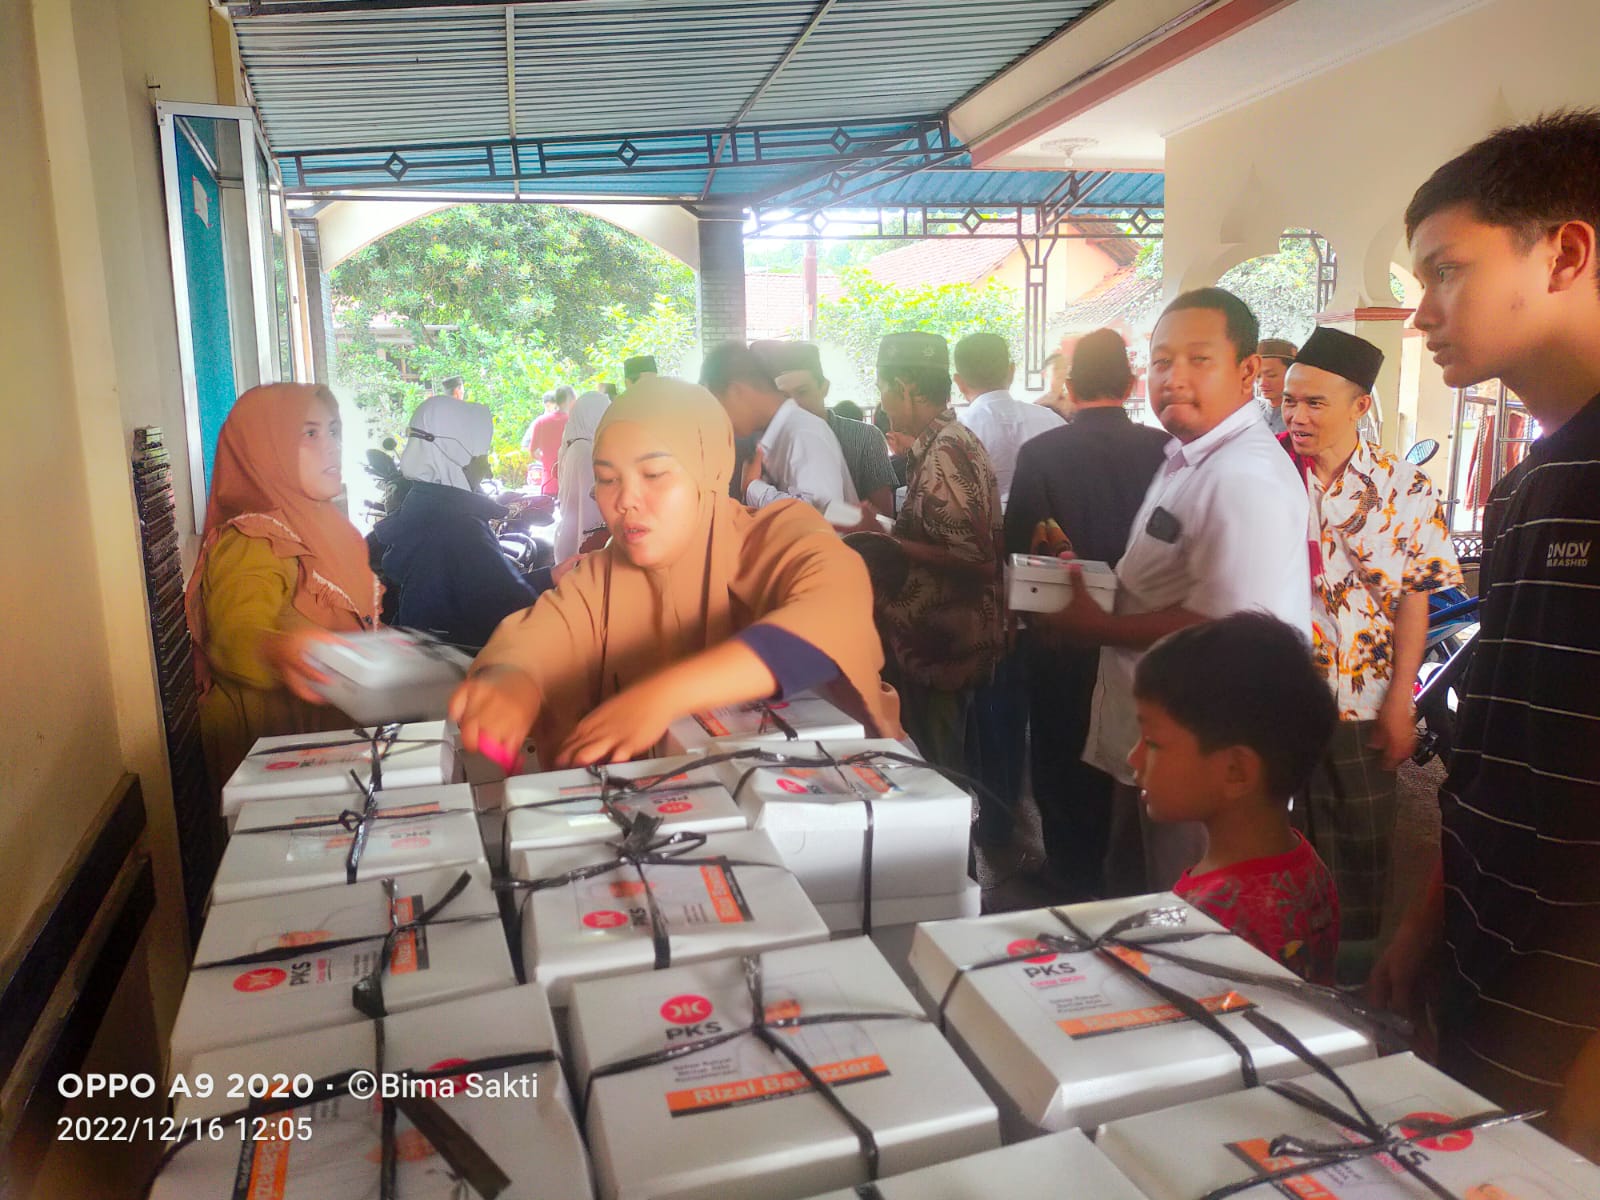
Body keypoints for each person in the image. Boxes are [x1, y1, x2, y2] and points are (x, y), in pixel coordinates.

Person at [1370, 111, 1600, 1158]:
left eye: (1445, 272)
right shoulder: (1529, 484)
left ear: (1565, 252)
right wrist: (1432, 916)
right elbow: (1498, 745)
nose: (1421, 313)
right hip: (1491, 958)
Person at [449, 377, 900, 769]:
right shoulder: (600, 577)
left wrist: (662, 697)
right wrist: (511, 682)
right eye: (607, 479)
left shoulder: (778, 535)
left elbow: (830, 618)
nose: (626, 500)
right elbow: (533, 640)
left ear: (708, 470)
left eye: (655, 474)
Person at [1044, 288, 1311, 893]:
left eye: (1198, 359)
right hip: (1162, 744)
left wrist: (1094, 624)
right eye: (1163, 362)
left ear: (1247, 371)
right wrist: (1093, 584)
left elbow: (1230, 631)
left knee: (1189, 919)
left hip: (1210, 752)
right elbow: (1167, 582)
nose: (1174, 378)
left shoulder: (1244, 475)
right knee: (1140, 898)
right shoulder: (1188, 457)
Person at [1279, 327, 1462, 980]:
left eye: (1315, 404)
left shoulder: (1402, 488)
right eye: (1289, 400)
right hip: (1273, 699)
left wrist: (1400, 703)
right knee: (1269, 842)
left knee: (1360, 847)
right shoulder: (1268, 474)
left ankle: (1350, 981)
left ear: (1360, 407)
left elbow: (1416, 598)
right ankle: (1279, 972)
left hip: (1363, 697)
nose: (1296, 416)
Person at [1005, 328, 1171, 897]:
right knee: (1129, 752)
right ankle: (1121, 874)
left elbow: (1021, 549)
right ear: (1131, 384)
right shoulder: (1165, 451)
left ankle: (1069, 873)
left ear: (1070, 388)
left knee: (1058, 749)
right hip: (1144, 632)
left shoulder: (1043, 452)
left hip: (1062, 632)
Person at [184, 383, 378, 790]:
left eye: (333, 430)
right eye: (309, 433)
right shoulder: (255, 540)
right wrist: (281, 650)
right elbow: (236, 632)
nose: (331, 446)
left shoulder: (325, 531)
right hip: (278, 765)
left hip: (329, 751)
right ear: (265, 448)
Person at [1132, 613, 1341, 984]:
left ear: (1236, 772)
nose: (1132, 758)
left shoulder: (1212, 920)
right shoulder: (1308, 867)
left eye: (1153, 743)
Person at [874, 331, 1003, 775]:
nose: (883, 399)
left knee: (940, 777)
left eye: (884, 387)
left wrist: (883, 539)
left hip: (944, 650)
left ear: (906, 387)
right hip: (934, 644)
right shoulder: (941, 442)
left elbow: (976, 558)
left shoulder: (947, 449)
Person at [370, 394, 537, 651]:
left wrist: (552, 575)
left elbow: (484, 588)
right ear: (457, 454)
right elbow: (513, 608)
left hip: (418, 657)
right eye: (482, 456)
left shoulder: (421, 508)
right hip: (458, 668)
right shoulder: (461, 528)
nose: (489, 470)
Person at [700, 341, 857, 513]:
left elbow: (823, 515)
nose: (718, 420)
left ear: (735, 392)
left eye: (716, 405)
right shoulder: (771, 435)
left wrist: (752, 487)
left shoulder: (803, 432)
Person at [752, 340, 898, 518]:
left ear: (824, 388)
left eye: (803, 392)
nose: (793, 404)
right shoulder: (767, 445)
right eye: (784, 397)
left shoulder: (864, 438)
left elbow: (883, 515)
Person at [952, 332, 1064, 509]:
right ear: (1011, 371)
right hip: (1048, 533)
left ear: (958, 381)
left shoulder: (956, 433)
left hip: (983, 534)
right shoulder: (1053, 422)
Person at [554, 389, 612, 563]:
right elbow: (590, 509)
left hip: (571, 538)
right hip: (582, 542)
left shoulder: (576, 446)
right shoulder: (585, 452)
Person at [526, 385, 574, 498]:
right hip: (571, 485)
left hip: (548, 484)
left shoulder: (540, 422)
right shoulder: (573, 422)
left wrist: (547, 460)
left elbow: (533, 452)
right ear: (570, 399)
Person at [1256, 338, 1297, 435]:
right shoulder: (1252, 414)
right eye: (1258, 376)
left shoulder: (1301, 420)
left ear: (1291, 373)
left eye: (1271, 375)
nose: (1262, 383)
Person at [1035, 349, 1072, 419]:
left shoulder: (1073, 401)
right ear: (1044, 373)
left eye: (1064, 367)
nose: (1061, 372)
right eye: (1056, 368)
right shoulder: (1039, 404)